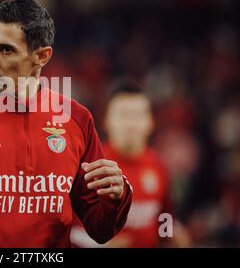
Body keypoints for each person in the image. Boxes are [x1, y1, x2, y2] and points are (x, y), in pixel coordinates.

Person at [0, 0, 132, 247]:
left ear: (42, 56)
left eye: (6, 49)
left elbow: (100, 229)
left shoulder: (77, 119)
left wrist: (118, 196)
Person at [70, 81, 187, 247]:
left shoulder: (158, 165)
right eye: (123, 114)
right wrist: (103, 245)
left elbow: (164, 218)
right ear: (106, 120)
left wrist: (172, 233)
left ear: (151, 122)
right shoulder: (89, 167)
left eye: (138, 115)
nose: (131, 123)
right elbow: (71, 230)